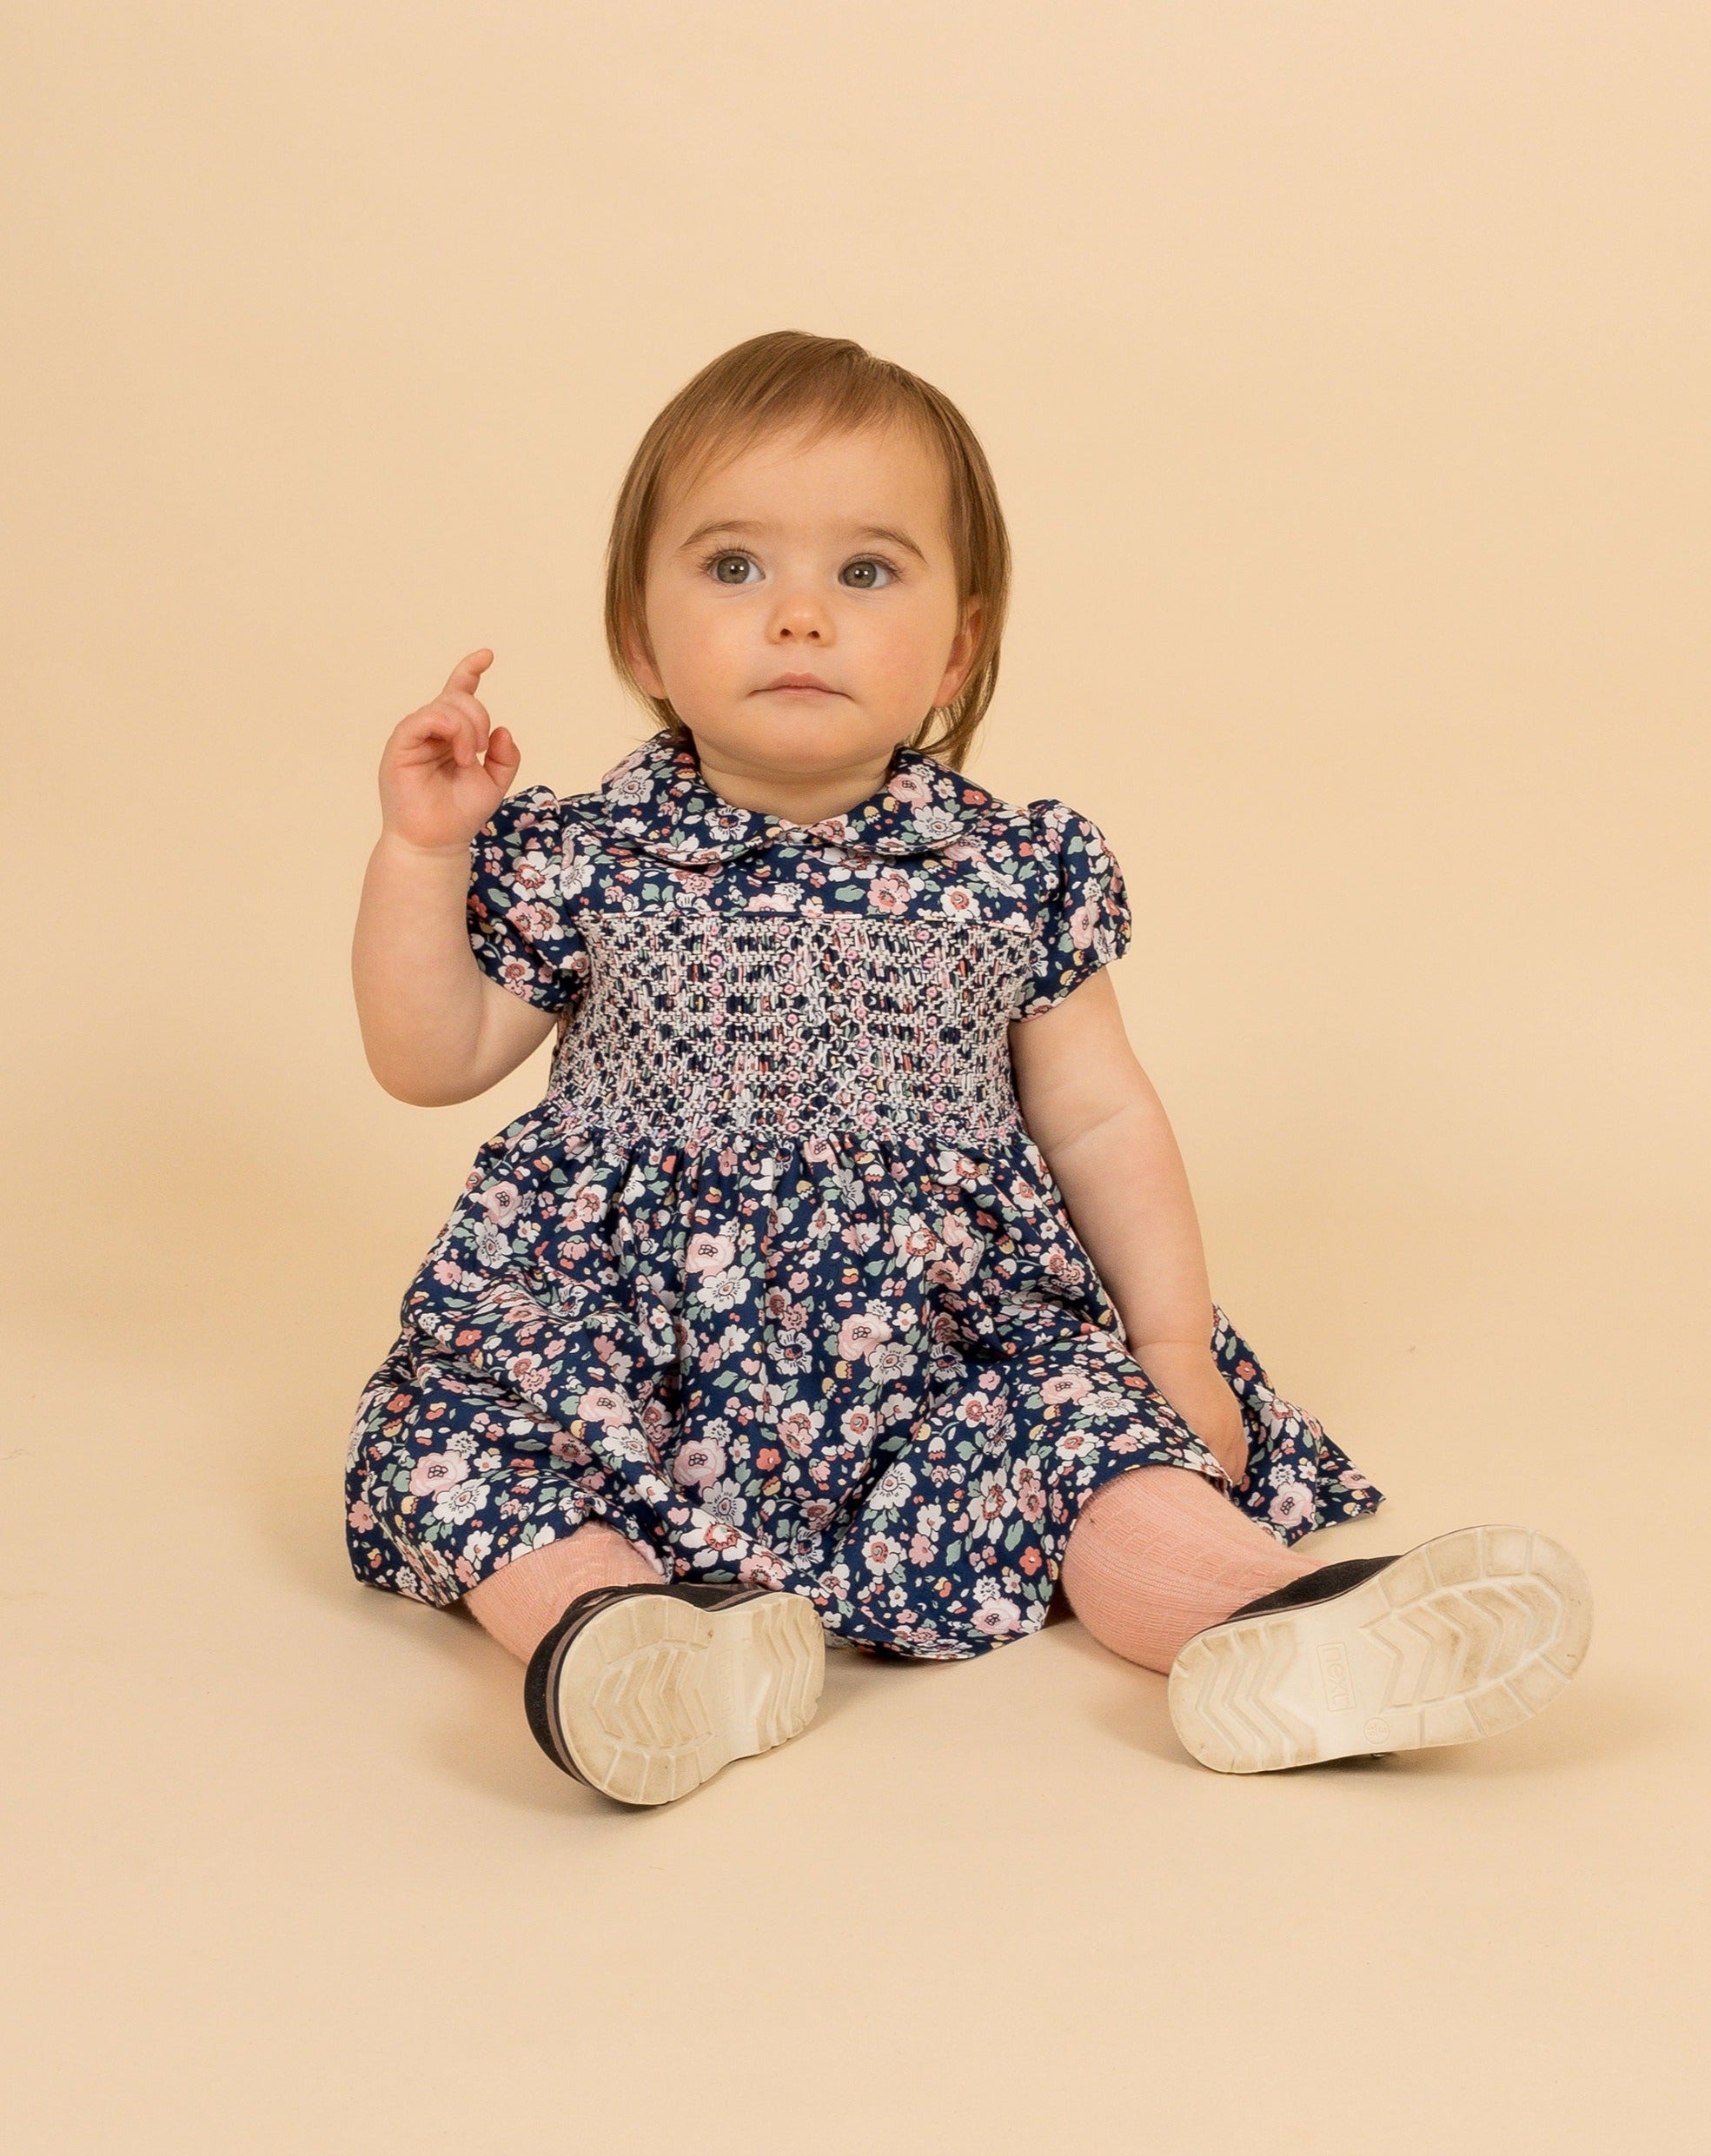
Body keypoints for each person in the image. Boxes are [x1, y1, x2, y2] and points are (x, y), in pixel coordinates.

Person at [346, 329, 1592, 1807]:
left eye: (864, 573)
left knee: (1087, 1434)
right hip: (631, 1357)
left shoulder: (1010, 868)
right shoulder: (580, 852)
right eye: (734, 567)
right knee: (469, 1431)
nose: (798, 616)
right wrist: (423, 854)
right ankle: (623, 1638)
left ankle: (1275, 1629)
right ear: (636, 637)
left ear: (955, 647)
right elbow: (430, 1058)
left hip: (935, 1356)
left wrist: (1173, 1348)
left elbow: (1100, 1109)